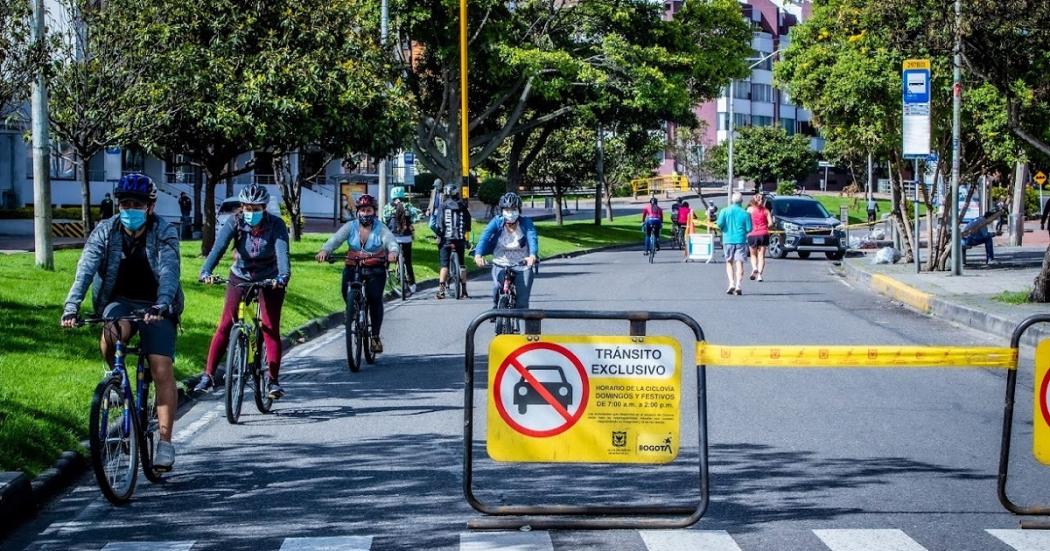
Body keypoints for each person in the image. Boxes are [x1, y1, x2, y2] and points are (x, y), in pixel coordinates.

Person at [61, 173, 183, 471]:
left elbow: (169, 272)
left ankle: (165, 443)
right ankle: (115, 380)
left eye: (136, 204)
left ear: (150, 207)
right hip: (120, 302)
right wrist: (71, 306)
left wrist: (162, 304)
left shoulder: (164, 231)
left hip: (157, 305)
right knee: (112, 333)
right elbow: (86, 269)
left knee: (160, 366)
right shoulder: (105, 230)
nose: (129, 209)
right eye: (124, 203)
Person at [195, 184, 291, 397]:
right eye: (248, 208)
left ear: (264, 208)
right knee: (226, 324)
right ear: (242, 207)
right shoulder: (235, 222)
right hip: (240, 275)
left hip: (270, 279)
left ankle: (272, 381)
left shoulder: (276, 225)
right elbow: (217, 249)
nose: (251, 213)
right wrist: (205, 271)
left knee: (269, 326)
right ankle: (208, 376)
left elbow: (283, 254)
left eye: (256, 209)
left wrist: (282, 277)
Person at [316, 194, 398, 353]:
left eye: (368, 210)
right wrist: (325, 250)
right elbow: (336, 239)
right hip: (353, 266)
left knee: (375, 299)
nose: (365, 213)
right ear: (357, 212)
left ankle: (375, 337)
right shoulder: (350, 226)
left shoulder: (380, 228)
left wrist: (392, 252)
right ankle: (353, 313)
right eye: (362, 210)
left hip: (375, 267)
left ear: (374, 212)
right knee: (346, 293)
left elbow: (390, 240)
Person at [474, 193, 539, 309]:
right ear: (502, 210)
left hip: (522, 264)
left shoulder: (526, 223)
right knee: (496, 288)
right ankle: (496, 309)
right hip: (501, 263)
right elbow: (484, 237)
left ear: (519, 210)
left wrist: (532, 255)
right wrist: (478, 255)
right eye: (507, 209)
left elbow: (532, 237)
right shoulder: (497, 222)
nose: (510, 213)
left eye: (513, 209)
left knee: (522, 303)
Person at [431, 183, 472, 299]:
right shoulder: (462, 206)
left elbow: (439, 224)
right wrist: (465, 234)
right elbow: (468, 222)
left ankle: (441, 291)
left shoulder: (443, 206)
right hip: (459, 240)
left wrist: (438, 236)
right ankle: (464, 291)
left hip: (446, 240)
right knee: (462, 265)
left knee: (444, 265)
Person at [382, 186, 423, 293]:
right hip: (406, 238)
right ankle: (412, 285)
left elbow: (383, 221)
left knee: (386, 260)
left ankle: (384, 280)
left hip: (392, 239)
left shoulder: (387, 207)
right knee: (408, 262)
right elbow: (417, 216)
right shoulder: (408, 206)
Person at [716, 192, 752, 295]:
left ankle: (731, 283)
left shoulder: (724, 211)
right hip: (740, 240)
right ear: (741, 201)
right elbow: (749, 228)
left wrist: (724, 229)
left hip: (728, 240)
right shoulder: (745, 213)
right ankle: (738, 285)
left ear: (732, 200)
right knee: (739, 262)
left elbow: (719, 224)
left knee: (729, 262)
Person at [747, 195, 773, 281]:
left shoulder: (750, 210)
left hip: (752, 234)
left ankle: (754, 267)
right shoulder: (766, 211)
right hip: (763, 234)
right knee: (761, 256)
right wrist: (766, 226)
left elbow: (746, 221)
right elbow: (771, 224)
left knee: (753, 255)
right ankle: (759, 276)